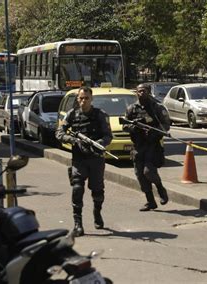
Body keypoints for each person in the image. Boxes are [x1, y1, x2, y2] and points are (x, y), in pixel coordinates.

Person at [56, 87, 113, 237]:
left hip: (96, 158)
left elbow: (108, 136)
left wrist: (97, 143)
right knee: (77, 188)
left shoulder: (100, 115)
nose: (83, 101)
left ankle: (97, 213)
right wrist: (73, 140)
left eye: (86, 98)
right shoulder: (71, 115)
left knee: (97, 191)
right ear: (77, 99)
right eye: (81, 98)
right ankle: (78, 224)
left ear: (91, 99)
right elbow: (59, 133)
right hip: (79, 159)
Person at [123, 84, 171, 211]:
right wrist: (134, 128)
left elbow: (166, 125)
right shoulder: (131, 109)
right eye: (139, 91)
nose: (141, 93)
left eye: (144, 91)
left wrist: (154, 131)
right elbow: (124, 125)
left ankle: (161, 189)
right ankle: (150, 201)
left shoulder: (157, 108)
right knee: (140, 175)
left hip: (152, 145)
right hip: (138, 146)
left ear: (149, 92)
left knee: (148, 172)